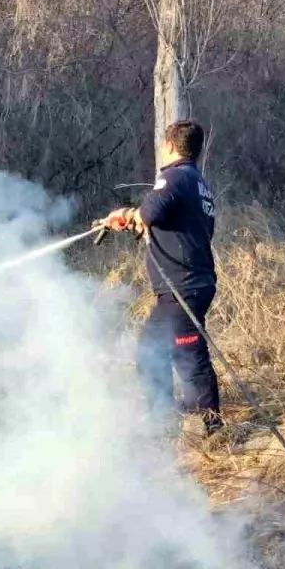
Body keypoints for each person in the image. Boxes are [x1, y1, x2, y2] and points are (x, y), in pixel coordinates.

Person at [98, 120, 223, 435]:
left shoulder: (173, 177)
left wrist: (127, 217)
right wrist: (137, 220)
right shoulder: (197, 183)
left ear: (169, 146)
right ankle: (163, 419)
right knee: (150, 350)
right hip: (186, 285)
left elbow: (149, 213)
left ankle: (211, 427)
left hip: (182, 287)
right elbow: (172, 222)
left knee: (189, 353)